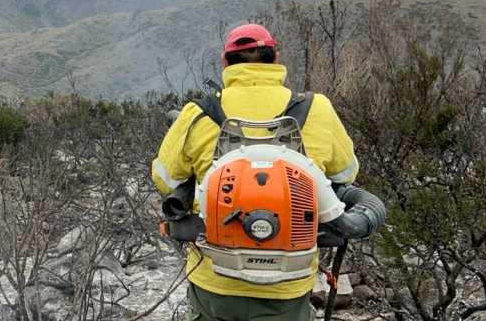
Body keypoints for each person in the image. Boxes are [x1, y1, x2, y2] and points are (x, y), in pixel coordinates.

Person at [152, 24, 360, 320]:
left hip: (214, 280)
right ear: (275, 59)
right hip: (287, 284)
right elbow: (346, 174)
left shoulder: (198, 112)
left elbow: (165, 178)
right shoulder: (319, 109)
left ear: (225, 64)